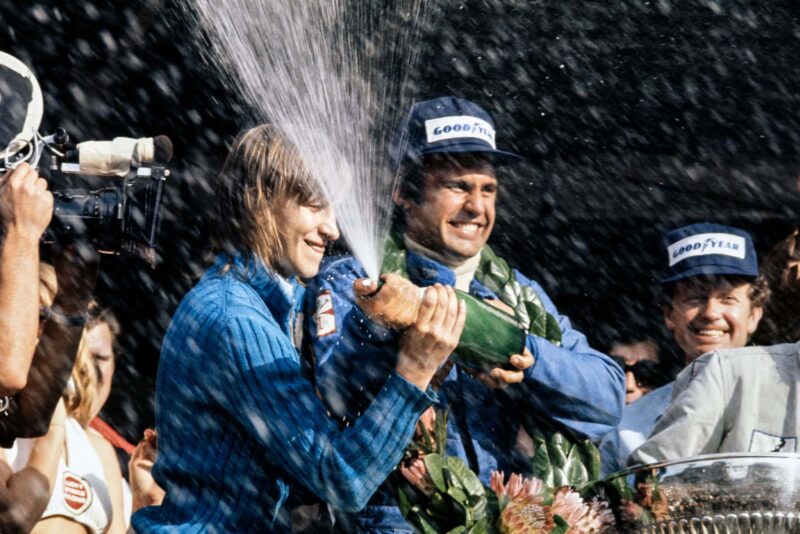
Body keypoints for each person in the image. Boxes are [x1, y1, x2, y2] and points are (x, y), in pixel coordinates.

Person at [304, 96, 625, 532]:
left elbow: (606, 398)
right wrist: (401, 331)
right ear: (404, 192)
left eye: (487, 189)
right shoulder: (355, 281)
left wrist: (524, 357)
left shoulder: (517, 294)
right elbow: (333, 388)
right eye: (457, 186)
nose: (477, 207)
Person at [131, 124, 464, 532]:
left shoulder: (269, 307)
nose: (334, 228)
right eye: (316, 205)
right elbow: (342, 478)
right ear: (261, 203)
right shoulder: (234, 320)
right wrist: (414, 369)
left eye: (335, 208)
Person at [600, 222, 768, 474]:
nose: (711, 312)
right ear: (669, 314)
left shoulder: (791, 403)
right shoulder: (629, 427)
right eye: (695, 298)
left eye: (727, 298)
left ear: (754, 315)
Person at [5, 293, 127, 534]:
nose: (42, 333)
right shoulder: (5, 427)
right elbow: (11, 518)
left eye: (49, 320)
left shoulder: (100, 449)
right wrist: (53, 428)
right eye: (38, 318)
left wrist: (149, 498)